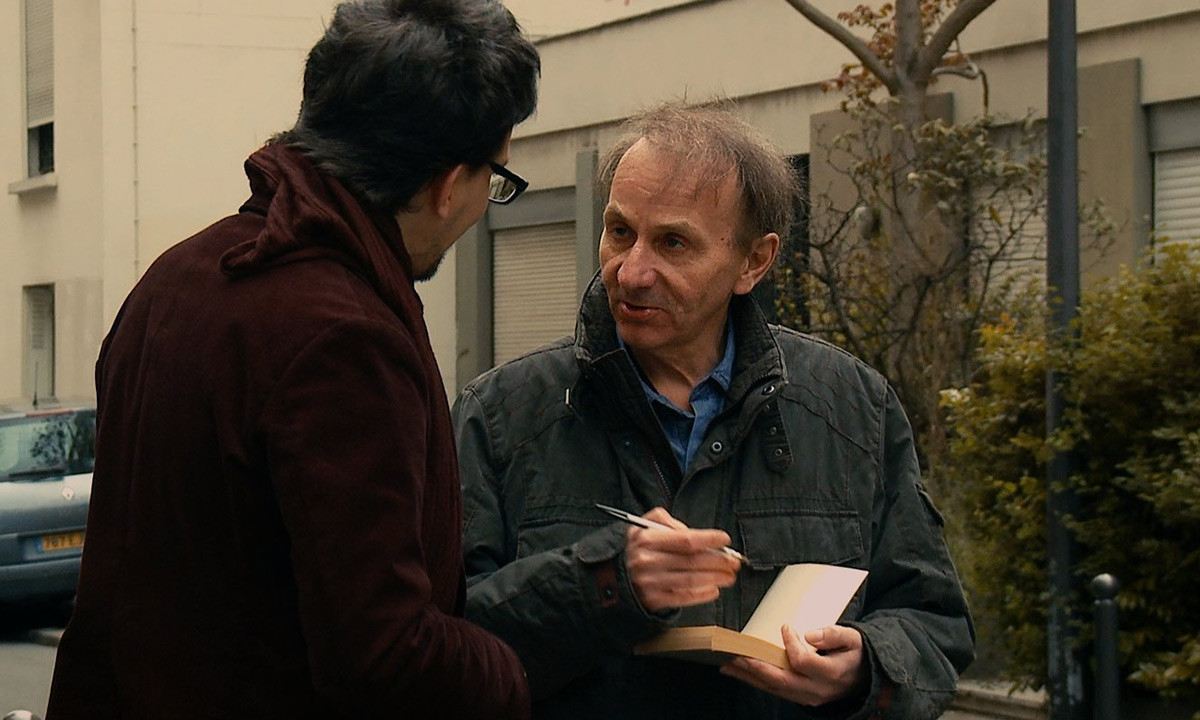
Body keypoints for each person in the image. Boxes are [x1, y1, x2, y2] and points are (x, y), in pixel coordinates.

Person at [47, 2, 539, 718]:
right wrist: (510, 678)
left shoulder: (175, 278)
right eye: (494, 180)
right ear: (445, 185)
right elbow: (384, 653)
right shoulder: (343, 337)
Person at [452, 102, 975, 720]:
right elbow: (442, 647)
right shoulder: (502, 416)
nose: (632, 271)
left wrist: (865, 668)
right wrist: (598, 584)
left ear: (754, 262)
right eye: (620, 232)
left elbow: (934, 626)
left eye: (672, 243)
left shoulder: (852, 409)